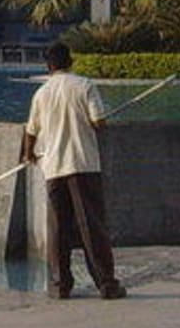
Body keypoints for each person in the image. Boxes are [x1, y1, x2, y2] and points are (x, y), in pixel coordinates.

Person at [20, 41, 126, 300]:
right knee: (91, 226)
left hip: (53, 168)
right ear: (71, 61)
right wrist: (99, 121)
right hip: (83, 165)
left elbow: (31, 130)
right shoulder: (84, 85)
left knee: (58, 229)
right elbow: (98, 122)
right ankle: (106, 284)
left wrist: (29, 154)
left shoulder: (41, 94)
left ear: (48, 66)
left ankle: (60, 286)